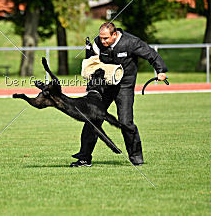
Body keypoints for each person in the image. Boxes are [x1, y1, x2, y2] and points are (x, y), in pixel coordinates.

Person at [70, 22, 168, 167]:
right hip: (105, 87)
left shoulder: (131, 42)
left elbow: (151, 54)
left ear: (115, 35)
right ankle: (84, 158)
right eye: (101, 38)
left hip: (124, 87)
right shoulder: (97, 43)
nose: (102, 41)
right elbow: (91, 64)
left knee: (125, 122)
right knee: (92, 119)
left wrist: (160, 70)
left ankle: (136, 158)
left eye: (106, 38)